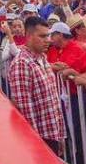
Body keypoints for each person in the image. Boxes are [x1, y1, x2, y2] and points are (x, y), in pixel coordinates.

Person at [7, 15, 66, 153]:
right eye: (42, 36)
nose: (48, 40)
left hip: (52, 134)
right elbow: (25, 109)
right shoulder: (21, 64)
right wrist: (36, 144)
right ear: (28, 36)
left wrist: (60, 136)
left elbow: (53, 102)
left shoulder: (43, 58)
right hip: (39, 140)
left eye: (48, 36)